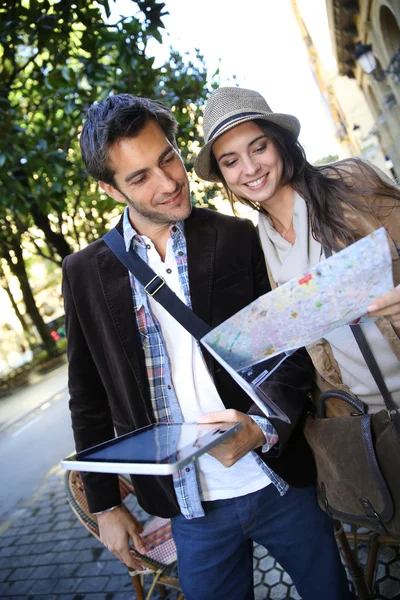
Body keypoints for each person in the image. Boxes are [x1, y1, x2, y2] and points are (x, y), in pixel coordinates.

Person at [62, 93, 352, 600]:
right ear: (111, 189)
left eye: (168, 158)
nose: (169, 182)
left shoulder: (239, 236)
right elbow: (88, 400)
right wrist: (106, 505)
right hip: (188, 509)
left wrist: (263, 428)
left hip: (280, 479)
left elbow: (289, 352)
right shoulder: (84, 273)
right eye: (140, 177)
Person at [194, 86, 400, 416]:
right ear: (223, 177)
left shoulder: (351, 183)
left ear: (280, 142)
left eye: (258, 147)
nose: (249, 168)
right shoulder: (257, 247)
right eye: (231, 162)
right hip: (363, 421)